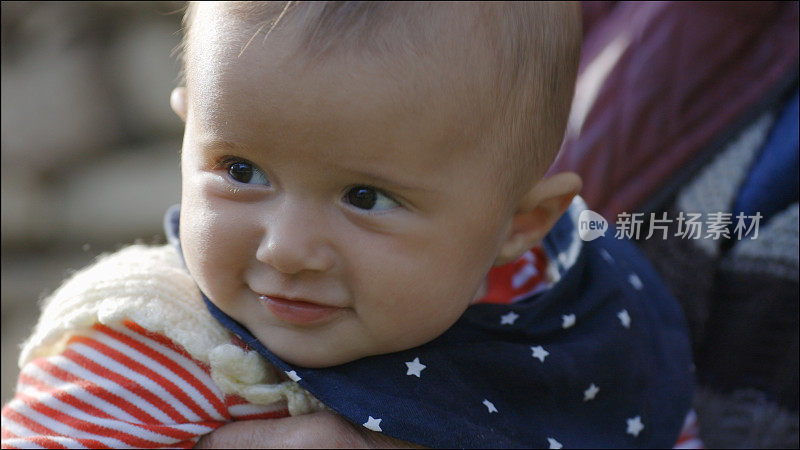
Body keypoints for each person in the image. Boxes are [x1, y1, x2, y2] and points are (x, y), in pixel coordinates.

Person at [1, 2, 696, 448]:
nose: (288, 249)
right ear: (190, 134)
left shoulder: (588, 327)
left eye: (366, 197)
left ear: (520, 223)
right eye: (240, 171)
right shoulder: (156, 352)